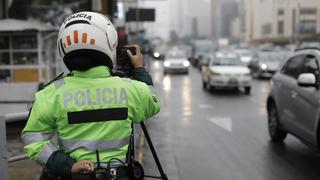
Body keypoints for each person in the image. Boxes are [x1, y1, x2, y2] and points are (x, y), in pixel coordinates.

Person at [21, 11, 160, 180]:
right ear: (109, 42)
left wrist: (69, 166)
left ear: (63, 46)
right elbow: (152, 104)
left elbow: (33, 140)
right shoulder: (132, 90)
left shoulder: (50, 94)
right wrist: (139, 69)